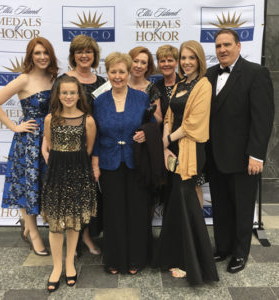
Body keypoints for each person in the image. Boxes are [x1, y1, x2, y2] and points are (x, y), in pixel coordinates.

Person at [206, 28, 274, 273]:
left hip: (244, 158)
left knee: (243, 208)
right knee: (221, 206)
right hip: (215, 157)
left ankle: (239, 254)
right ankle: (223, 248)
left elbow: (263, 118)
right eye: (218, 46)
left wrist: (256, 155)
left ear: (239, 46)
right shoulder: (210, 73)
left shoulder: (256, 73)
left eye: (227, 44)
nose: (222, 49)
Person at [154, 40, 219, 285]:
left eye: (191, 58)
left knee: (186, 200)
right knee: (176, 201)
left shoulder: (203, 85)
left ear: (199, 60)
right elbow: (169, 115)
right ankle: (173, 255)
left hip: (191, 150)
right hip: (173, 148)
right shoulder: (181, 84)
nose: (186, 62)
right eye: (184, 58)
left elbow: (193, 123)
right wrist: (165, 143)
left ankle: (191, 261)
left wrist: (168, 140)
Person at [0, 37, 58, 256]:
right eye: (37, 53)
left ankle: (29, 226)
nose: (42, 57)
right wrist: (14, 126)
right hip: (29, 142)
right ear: (30, 56)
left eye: (45, 52)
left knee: (47, 186)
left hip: (52, 138)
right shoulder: (24, 80)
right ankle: (33, 233)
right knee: (29, 186)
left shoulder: (54, 77)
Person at [43, 34, 105, 256]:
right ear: (73, 55)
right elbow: (53, 115)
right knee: (64, 198)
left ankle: (85, 237)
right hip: (63, 151)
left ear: (94, 56)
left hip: (89, 146)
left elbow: (101, 119)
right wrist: (46, 146)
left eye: (88, 51)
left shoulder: (102, 83)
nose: (84, 55)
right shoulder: (63, 80)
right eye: (79, 51)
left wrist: (92, 157)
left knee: (85, 198)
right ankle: (69, 248)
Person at [92, 52, 153, 275]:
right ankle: (114, 260)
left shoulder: (142, 98)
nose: (118, 76)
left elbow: (151, 126)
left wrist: (146, 134)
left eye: (122, 72)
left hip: (136, 162)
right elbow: (95, 134)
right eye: (113, 72)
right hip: (109, 163)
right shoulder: (99, 101)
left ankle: (137, 259)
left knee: (137, 211)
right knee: (113, 212)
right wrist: (95, 163)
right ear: (107, 73)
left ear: (129, 73)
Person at [41, 75, 97, 292]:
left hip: (79, 174)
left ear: (78, 94)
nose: (68, 96)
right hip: (56, 174)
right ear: (58, 95)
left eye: (72, 92)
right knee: (55, 223)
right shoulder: (50, 119)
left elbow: (89, 149)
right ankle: (56, 267)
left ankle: (70, 263)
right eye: (64, 92)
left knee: (73, 222)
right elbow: (51, 145)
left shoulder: (88, 120)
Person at [128, 46, 162, 124]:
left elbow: (159, 120)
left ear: (147, 67)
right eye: (135, 61)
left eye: (143, 63)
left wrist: (144, 104)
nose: (139, 66)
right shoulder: (120, 85)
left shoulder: (152, 89)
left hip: (142, 133)